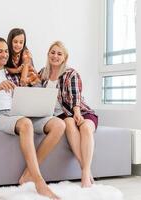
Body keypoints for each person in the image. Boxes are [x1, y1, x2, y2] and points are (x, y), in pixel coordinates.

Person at [0, 37, 65, 200]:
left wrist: (29, 75)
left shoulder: (11, 74)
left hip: (18, 113)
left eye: (6, 51)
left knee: (59, 125)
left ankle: (27, 174)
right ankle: (39, 182)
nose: (4, 54)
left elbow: (27, 90)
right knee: (26, 124)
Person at [39, 41, 98, 188]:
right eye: (52, 52)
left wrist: (77, 112)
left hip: (81, 111)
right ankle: (85, 170)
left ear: (65, 57)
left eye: (59, 54)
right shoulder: (42, 74)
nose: (55, 56)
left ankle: (85, 173)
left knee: (85, 128)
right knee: (69, 122)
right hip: (63, 116)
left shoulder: (70, 73)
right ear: (48, 54)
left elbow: (76, 95)